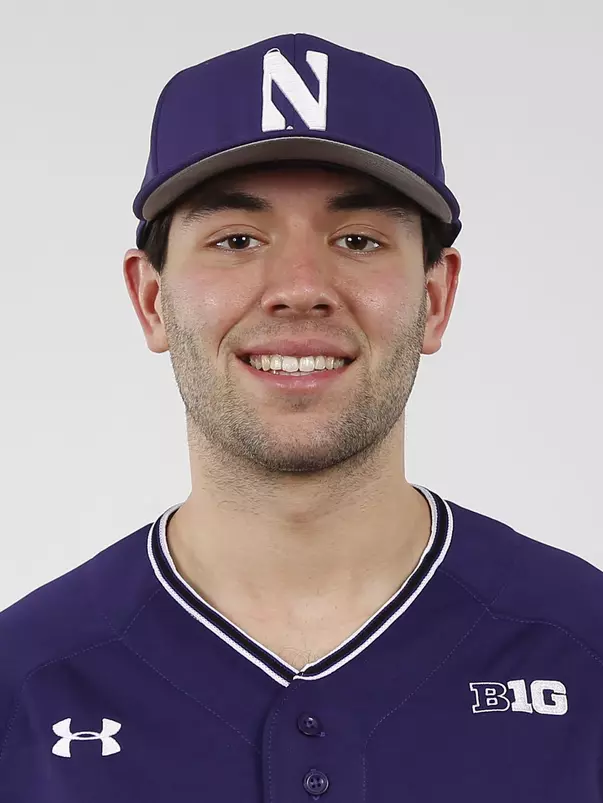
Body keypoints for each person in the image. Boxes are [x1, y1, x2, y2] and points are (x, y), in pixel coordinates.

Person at [0, 32, 601, 803]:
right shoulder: (26, 684)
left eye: (356, 239)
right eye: (237, 239)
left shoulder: (583, 650)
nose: (298, 287)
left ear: (435, 299)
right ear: (151, 300)